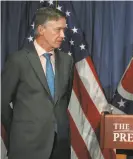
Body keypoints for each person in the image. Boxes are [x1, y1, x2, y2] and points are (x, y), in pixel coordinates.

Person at [1, 7, 74, 159]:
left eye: (64, 30)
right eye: (58, 30)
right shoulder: (18, 60)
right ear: (41, 29)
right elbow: (2, 101)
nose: (63, 35)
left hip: (60, 145)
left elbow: (63, 99)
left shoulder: (67, 61)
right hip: (26, 145)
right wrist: (18, 129)